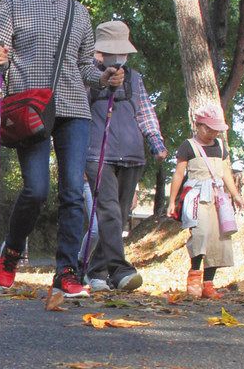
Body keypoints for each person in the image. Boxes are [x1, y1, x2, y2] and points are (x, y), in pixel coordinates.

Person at [0, 0, 124, 298]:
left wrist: (104, 78)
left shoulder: (80, 12)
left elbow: (84, 66)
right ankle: (11, 252)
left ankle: (67, 270)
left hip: (74, 109)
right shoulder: (13, 0)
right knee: (35, 189)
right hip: (30, 105)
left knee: (72, 193)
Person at [83, 21, 168, 292]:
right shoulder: (85, 75)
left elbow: (144, 113)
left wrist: (156, 143)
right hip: (97, 152)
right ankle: (120, 269)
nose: (119, 58)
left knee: (118, 214)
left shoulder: (135, 78)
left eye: (123, 53)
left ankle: (96, 272)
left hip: (132, 154)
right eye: (112, 52)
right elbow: (76, 111)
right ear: (99, 52)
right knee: (107, 210)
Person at [167, 103, 244, 298]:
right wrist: (172, 201)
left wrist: (236, 195)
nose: (212, 134)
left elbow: (225, 173)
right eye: (208, 128)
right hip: (197, 196)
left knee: (219, 238)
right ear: (198, 124)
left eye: (216, 130)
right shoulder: (189, 146)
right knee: (201, 233)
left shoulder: (220, 147)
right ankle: (195, 275)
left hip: (218, 197)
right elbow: (178, 175)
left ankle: (209, 283)